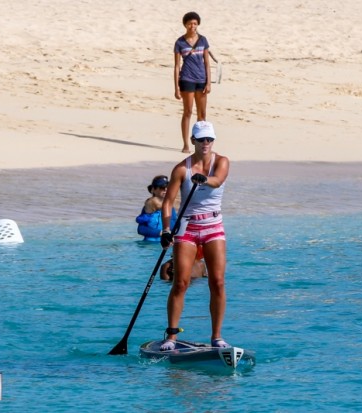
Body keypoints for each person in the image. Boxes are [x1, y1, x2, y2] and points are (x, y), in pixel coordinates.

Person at [159, 120, 229, 351]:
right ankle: (171, 337)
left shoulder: (222, 162)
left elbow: (217, 180)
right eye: (201, 139)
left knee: (217, 282)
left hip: (213, 226)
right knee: (180, 282)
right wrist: (166, 230)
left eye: (209, 139)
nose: (206, 143)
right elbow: (168, 202)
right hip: (187, 227)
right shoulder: (181, 169)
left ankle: (217, 337)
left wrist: (204, 180)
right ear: (193, 141)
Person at [174, 11, 211, 154]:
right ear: (185, 25)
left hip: (201, 80)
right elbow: (177, 66)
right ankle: (185, 144)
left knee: (202, 114)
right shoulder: (180, 42)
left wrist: (209, 82)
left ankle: (200, 143)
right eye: (190, 24)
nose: (192, 26)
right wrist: (176, 87)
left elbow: (207, 63)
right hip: (186, 79)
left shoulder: (203, 40)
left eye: (195, 23)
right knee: (188, 112)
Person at [136, 175, 178, 242]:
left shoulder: (171, 208)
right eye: (162, 187)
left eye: (167, 187)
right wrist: (160, 233)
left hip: (166, 243)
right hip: (149, 245)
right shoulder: (149, 207)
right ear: (153, 190)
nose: (166, 189)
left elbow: (176, 226)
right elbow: (141, 229)